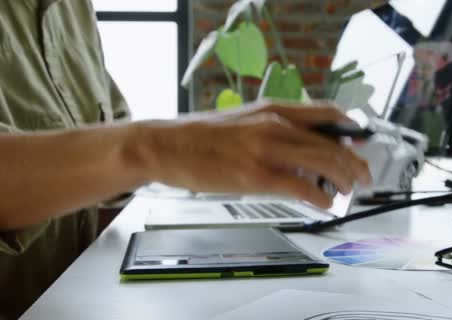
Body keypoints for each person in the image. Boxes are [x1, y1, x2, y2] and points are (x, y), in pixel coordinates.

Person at [0, 1, 371, 319]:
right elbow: (130, 149)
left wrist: (185, 230)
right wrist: (156, 150)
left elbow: (105, 170)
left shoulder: (71, 8)